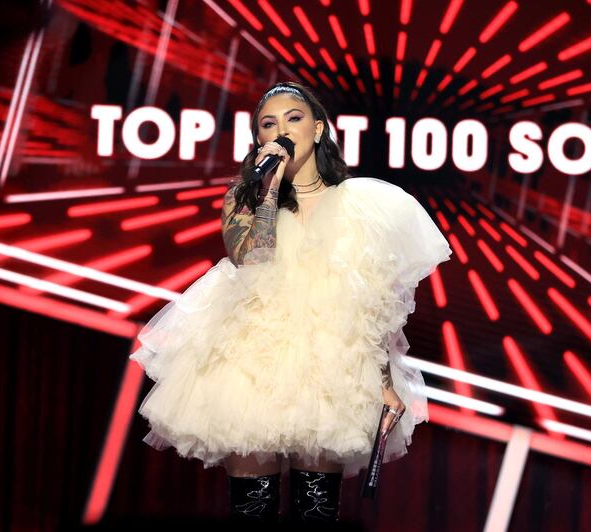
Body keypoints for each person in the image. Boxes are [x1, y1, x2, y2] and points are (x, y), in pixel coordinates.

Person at [129, 81, 452, 525]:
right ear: (259, 139)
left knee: (315, 511)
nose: (281, 129)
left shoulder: (362, 203)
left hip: (328, 371)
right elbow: (253, 260)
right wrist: (268, 187)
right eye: (269, 124)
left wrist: (382, 378)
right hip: (252, 364)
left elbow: (373, 302)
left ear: (318, 128)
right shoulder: (245, 198)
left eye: (293, 118)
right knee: (253, 509)